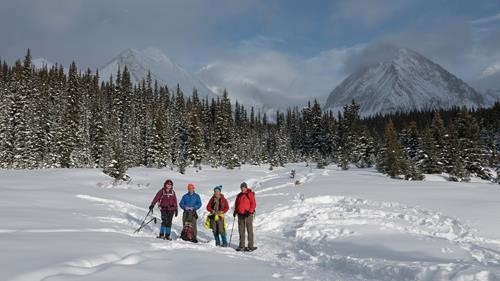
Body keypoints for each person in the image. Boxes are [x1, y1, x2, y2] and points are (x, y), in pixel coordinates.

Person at [233, 182, 256, 251]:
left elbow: (253, 204)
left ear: (246, 187)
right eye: (241, 188)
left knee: (249, 230)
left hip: (248, 215)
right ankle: (241, 246)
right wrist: (235, 211)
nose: (242, 189)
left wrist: (249, 212)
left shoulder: (250, 194)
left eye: (244, 188)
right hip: (240, 215)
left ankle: (250, 246)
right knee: (241, 230)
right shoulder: (239, 195)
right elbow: (237, 204)